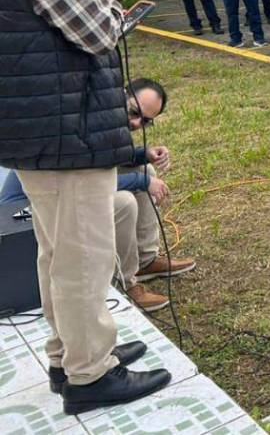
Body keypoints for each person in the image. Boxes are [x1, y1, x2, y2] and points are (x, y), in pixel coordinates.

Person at [0, 0, 171, 413]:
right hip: (66, 132)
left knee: (57, 254)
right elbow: (98, 32)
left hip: (38, 129)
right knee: (83, 257)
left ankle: (69, 353)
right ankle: (89, 375)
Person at [0, 79, 194, 315]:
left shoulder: (102, 114)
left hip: (63, 192)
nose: (135, 123)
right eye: (134, 112)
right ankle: (125, 284)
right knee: (123, 203)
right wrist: (142, 181)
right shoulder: (85, 121)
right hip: (23, 215)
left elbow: (103, 163)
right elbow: (88, 183)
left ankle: (145, 261)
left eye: (145, 122)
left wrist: (145, 156)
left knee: (145, 173)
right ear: (121, 94)